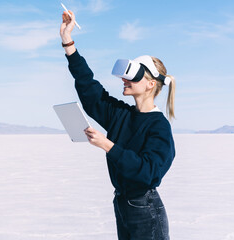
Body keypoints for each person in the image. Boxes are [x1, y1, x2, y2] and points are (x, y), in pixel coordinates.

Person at [60, 10, 176, 240]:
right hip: (123, 203)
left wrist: (108, 145)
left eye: (132, 77)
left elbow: (149, 173)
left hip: (145, 210)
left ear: (150, 84)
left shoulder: (159, 127)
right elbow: (90, 90)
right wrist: (68, 42)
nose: (124, 80)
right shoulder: (121, 115)